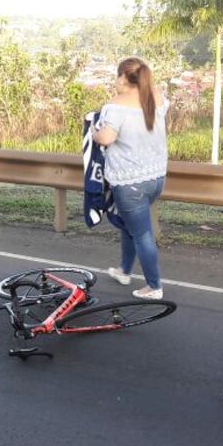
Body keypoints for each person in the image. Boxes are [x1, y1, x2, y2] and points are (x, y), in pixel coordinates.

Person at [92, 57, 168, 299]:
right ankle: (124, 270)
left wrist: (93, 132)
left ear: (124, 77)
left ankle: (154, 286)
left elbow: (105, 139)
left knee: (142, 234)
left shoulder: (115, 106)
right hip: (156, 178)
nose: (115, 81)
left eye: (117, 76)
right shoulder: (157, 99)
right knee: (132, 226)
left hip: (129, 182)